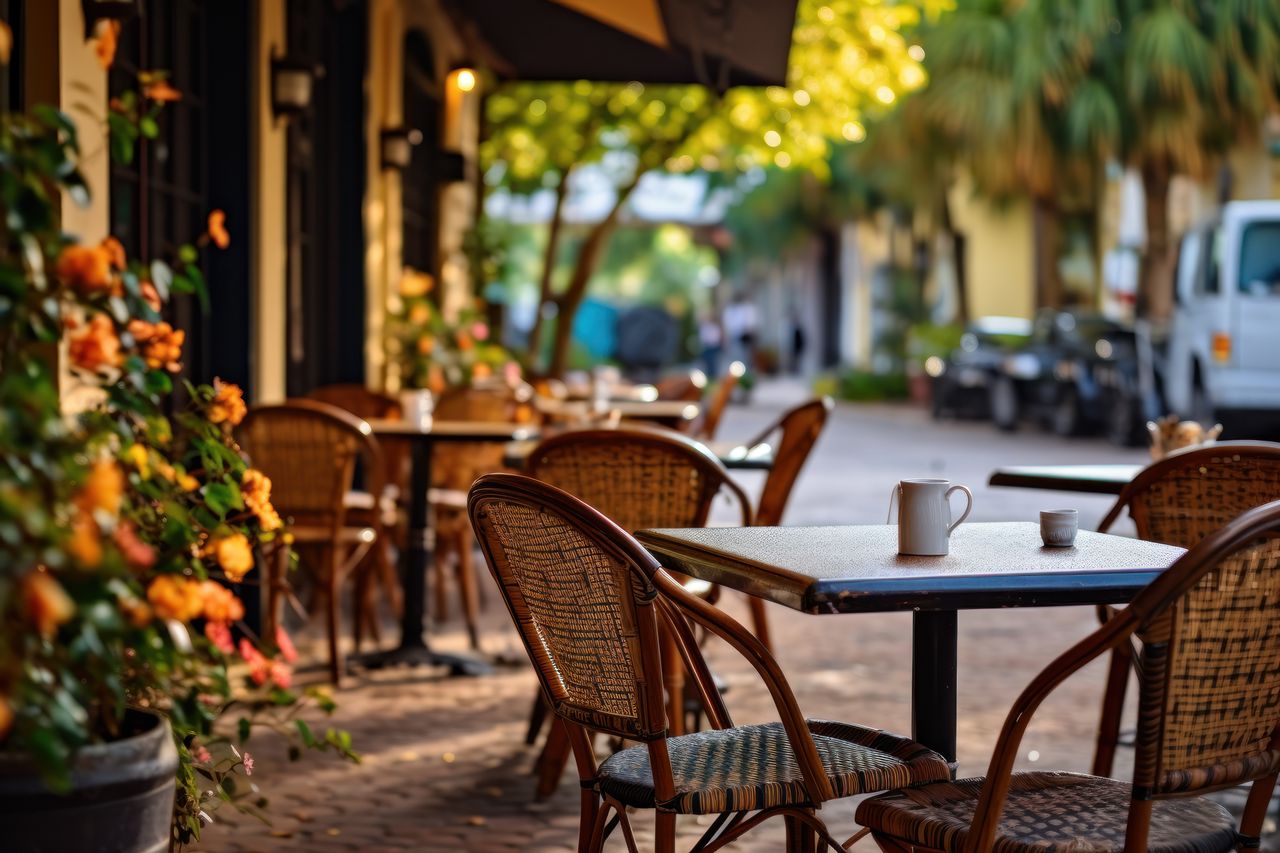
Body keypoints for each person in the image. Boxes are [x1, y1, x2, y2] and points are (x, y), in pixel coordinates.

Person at [722, 292, 759, 369]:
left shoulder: (746, 308)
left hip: (745, 335)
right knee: (737, 356)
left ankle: (748, 371)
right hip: (735, 335)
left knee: (747, 356)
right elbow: (728, 324)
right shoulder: (730, 310)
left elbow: (750, 322)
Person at [698, 312, 723, 378]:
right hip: (707, 347)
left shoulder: (715, 326)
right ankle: (710, 376)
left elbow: (717, 337)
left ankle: (714, 376)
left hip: (714, 347)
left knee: (714, 364)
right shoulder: (704, 327)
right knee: (708, 364)